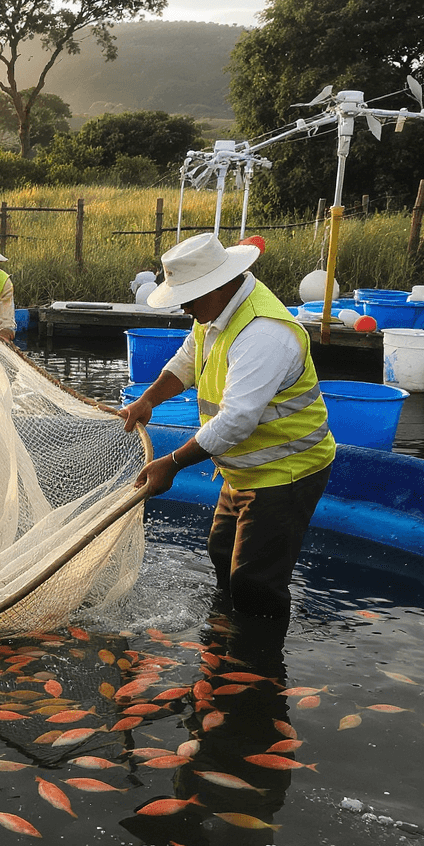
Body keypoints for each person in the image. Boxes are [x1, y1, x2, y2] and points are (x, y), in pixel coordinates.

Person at [119, 232, 335, 620]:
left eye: (189, 296)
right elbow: (188, 360)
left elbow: (236, 419)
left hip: (285, 472)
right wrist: (148, 400)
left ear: (220, 283)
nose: (184, 306)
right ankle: (225, 635)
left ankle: (258, 668)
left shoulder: (264, 333)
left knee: (255, 581)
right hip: (242, 470)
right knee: (221, 552)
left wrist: (171, 463)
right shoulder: (215, 311)